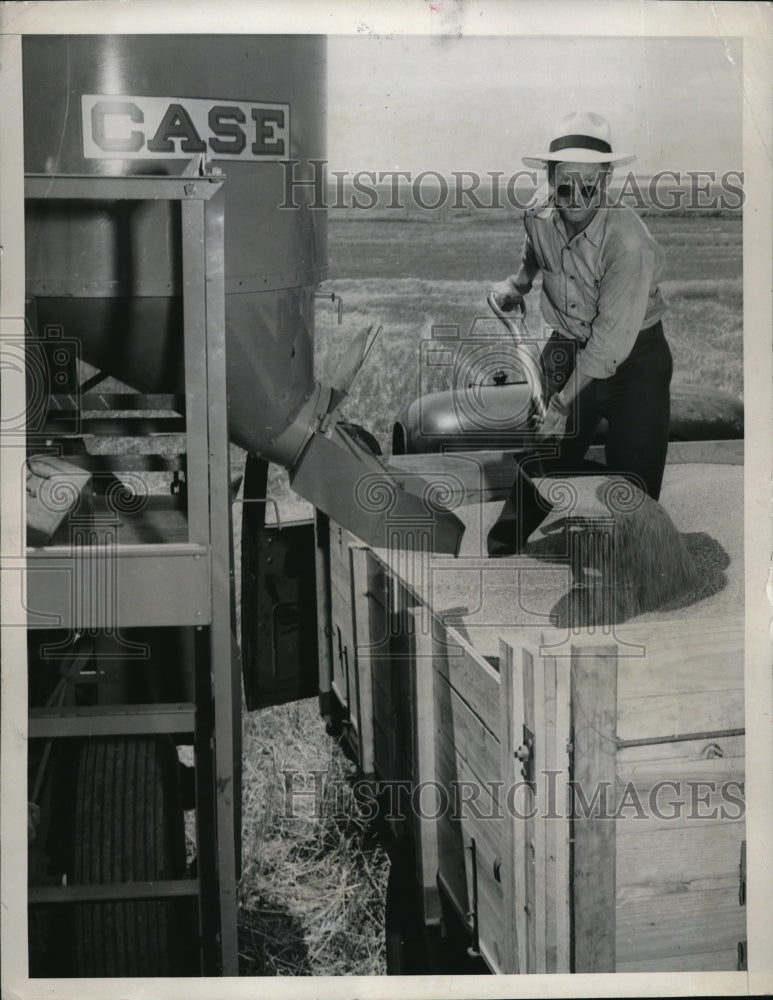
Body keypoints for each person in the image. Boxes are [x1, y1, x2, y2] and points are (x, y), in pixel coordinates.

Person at [487, 110, 672, 556]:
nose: (576, 196)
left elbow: (609, 347)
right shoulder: (537, 215)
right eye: (564, 183)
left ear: (606, 179)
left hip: (636, 357)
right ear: (550, 176)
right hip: (570, 343)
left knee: (636, 482)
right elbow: (535, 250)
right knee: (545, 452)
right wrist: (519, 283)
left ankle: (639, 563)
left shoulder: (628, 243)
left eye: (588, 184)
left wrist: (562, 403)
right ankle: (502, 547)